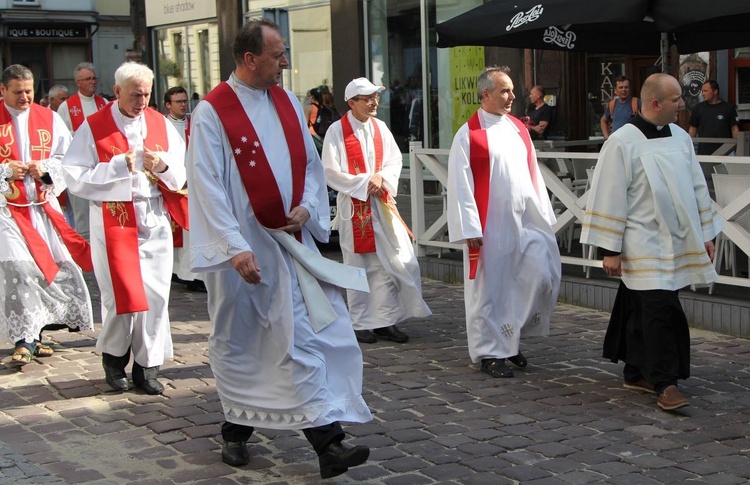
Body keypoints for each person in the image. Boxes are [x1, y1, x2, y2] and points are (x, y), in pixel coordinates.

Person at [185, 18, 372, 478]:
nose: (285, 62)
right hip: (242, 251)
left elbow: (310, 169)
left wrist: (309, 208)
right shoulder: (212, 112)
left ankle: (329, 444)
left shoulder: (287, 102)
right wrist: (234, 246)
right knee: (245, 340)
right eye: (277, 54)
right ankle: (235, 430)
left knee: (299, 337)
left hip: (289, 243)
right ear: (250, 59)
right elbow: (205, 185)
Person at [581, 73, 722, 411]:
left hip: (675, 240)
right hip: (641, 242)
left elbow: (696, 187)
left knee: (639, 306)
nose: (683, 105)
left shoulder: (679, 137)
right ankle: (665, 382)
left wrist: (705, 233)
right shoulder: (622, 141)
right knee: (660, 311)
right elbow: (609, 196)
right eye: (676, 100)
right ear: (656, 103)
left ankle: (635, 371)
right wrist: (610, 250)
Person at [62, 62, 187, 395]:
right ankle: (114, 360)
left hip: (153, 218)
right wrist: (118, 165)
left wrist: (161, 165)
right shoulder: (94, 127)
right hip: (114, 219)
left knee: (156, 296)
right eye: (135, 95)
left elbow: (181, 173)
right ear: (117, 92)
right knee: (121, 297)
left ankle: (148, 367)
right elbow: (73, 176)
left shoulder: (161, 123)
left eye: (146, 94)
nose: (142, 101)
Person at [447, 66, 561, 379]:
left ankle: (508, 339)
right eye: (504, 91)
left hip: (524, 220)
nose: (512, 97)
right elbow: (460, 182)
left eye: (512, 90)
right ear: (485, 94)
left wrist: (543, 217)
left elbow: (533, 174)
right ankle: (490, 352)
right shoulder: (468, 135)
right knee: (491, 289)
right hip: (489, 226)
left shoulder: (518, 129)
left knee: (537, 275)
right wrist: (469, 228)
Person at [321, 77, 431, 344]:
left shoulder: (381, 127)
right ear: (351, 103)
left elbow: (394, 160)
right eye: (367, 98)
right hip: (356, 207)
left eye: (375, 97)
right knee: (360, 265)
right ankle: (361, 323)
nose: (374, 103)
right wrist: (362, 183)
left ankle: (385, 320)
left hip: (381, 204)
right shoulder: (337, 131)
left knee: (392, 261)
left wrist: (381, 178)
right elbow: (329, 171)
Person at [0, 64, 94, 367]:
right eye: (18, 92)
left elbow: (67, 160)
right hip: (6, 211)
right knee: (20, 271)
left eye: (29, 91)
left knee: (46, 271)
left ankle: (35, 334)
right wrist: (5, 170)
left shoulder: (50, 119)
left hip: (42, 209)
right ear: (3, 91)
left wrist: (45, 170)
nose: (25, 97)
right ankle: (24, 339)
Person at [57, 62, 108, 241]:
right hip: (79, 167)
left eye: (94, 78)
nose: (93, 82)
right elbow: (62, 137)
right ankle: (85, 255)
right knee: (82, 213)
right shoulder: (67, 107)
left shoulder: (105, 103)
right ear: (78, 82)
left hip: (102, 166)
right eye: (88, 79)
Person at [163, 86, 205, 293]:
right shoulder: (162, 126)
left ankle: (191, 274)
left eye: (184, 101)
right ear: (168, 105)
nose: (183, 105)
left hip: (191, 184)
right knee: (173, 232)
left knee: (190, 231)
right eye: (178, 101)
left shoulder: (194, 123)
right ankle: (176, 270)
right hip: (170, 184)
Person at [688, 80, 739, 155]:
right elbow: (693, 129)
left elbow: (734, 129)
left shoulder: (728, 108)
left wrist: (737, 148)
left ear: (715, 91)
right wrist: (689, 148)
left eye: (706, 91)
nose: (703, 94)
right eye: (702, 91)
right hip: (704, 152)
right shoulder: (698, 108)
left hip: (726, 151)